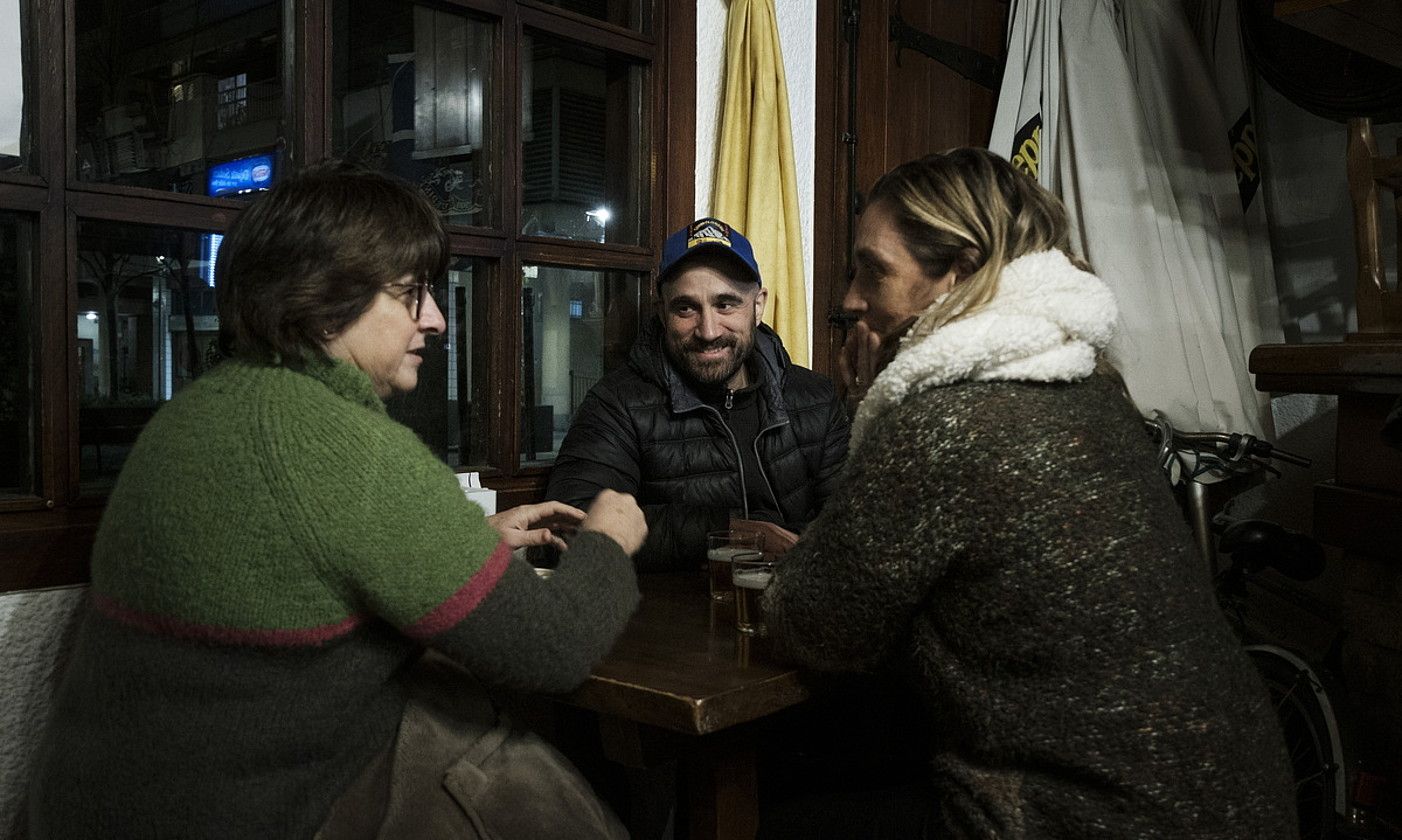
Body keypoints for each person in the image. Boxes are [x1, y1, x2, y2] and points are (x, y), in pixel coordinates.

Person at [28, 163, 647, 840]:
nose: (436, 320)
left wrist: (476, 542)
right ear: (324, 301)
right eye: (411, 294)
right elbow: (553, 648)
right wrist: (609, 540)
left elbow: (292, 566)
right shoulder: (340, 445)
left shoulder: (199, 411)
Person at [761, 148, 1298, 839]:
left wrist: (872, 405)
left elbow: (810, 623)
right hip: (1235, 798)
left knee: (788, 821)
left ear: (956, 273)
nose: (850, 299)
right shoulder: (1093, 386)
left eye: (873, 269)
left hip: (1095, 820)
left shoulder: (945, 420)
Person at [545, 217, 849, 571]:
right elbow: (569, 530)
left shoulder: (816, 397)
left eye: (726, 304)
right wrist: (731, 534)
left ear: (758, 305)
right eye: (686, 308)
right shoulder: (618, 404)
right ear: (663, 313)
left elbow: (852, 525)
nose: (707, 330)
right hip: (678, 621)